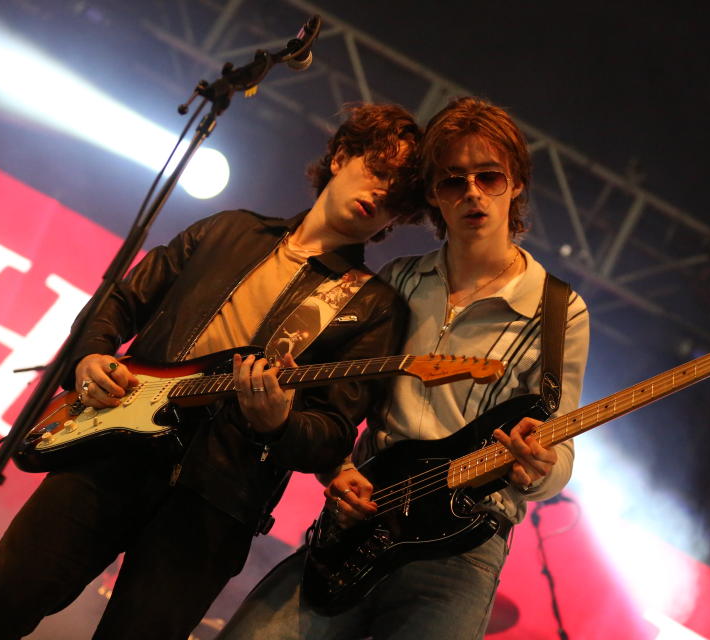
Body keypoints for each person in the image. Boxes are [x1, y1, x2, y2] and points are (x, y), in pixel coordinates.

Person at [0, 103, 421, 640]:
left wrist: (278, 424)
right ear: (340, 156)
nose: (383, 194)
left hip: (214, 505)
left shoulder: (374, 306)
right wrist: (90, 358)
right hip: (110, 455)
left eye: (400, 196)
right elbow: (119, 301)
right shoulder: (229, 230)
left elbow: (331, 434)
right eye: (380, 171)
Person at [217, 96, 589, 639]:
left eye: (489, 177)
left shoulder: (559, 311)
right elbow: (342, 406)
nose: (472, 194)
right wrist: (337, 470)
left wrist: (539, 467)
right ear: (434, 199)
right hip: (365, 521)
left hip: (464, 548)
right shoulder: (399, 281)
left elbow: (560, 456)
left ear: (518, 183)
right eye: (452, 182)